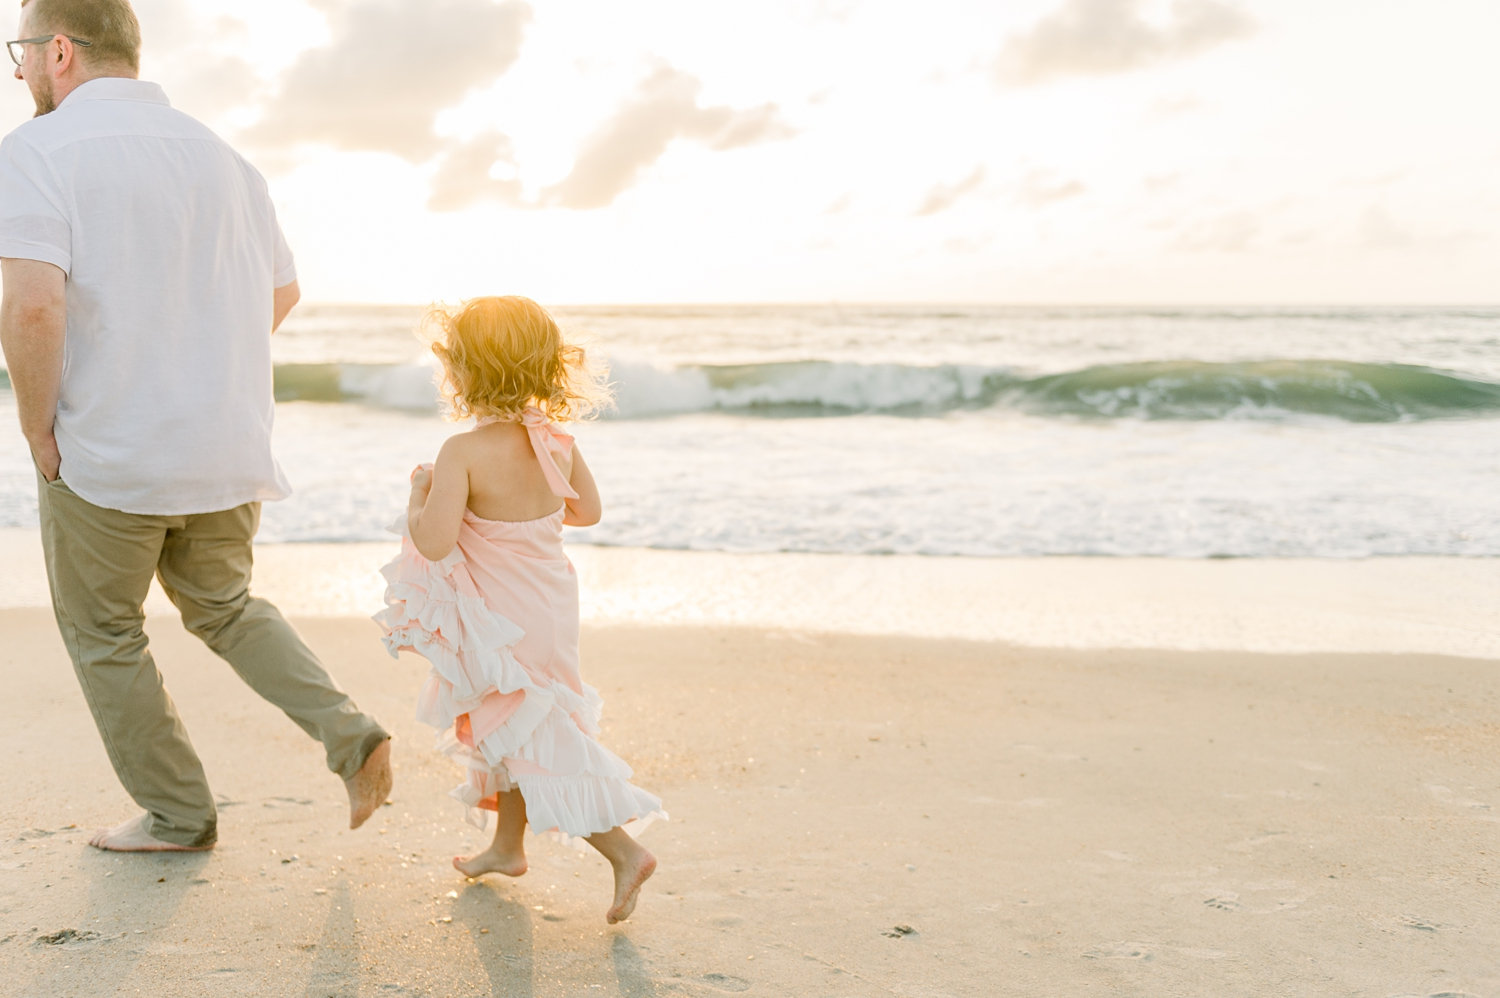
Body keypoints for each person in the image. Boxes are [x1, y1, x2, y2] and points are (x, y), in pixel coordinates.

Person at [0, 0, 392, 852]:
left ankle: (178, 814)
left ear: (59, 50)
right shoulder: (227, 159)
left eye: (21, 52)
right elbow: (281, 294)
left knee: (104, 632)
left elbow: (31, 306)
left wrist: (38, 428)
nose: (21, 69)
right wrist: (197, 368)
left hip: (109, 452)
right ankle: (349, 732)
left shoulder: (35, 151)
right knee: (225, 606)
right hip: (222, 447)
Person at [376, 295, 663, 923]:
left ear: (466, 372)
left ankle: (622, 849)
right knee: (522, 720)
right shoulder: (555, 441)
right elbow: (587, 511)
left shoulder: (463, 452)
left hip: (500, 620)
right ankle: (507, 847)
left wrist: (419, 493)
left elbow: (434, 541)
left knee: (526, 729)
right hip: (552, 608)